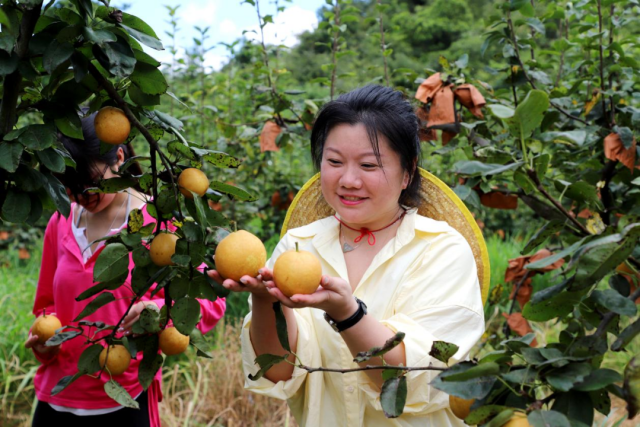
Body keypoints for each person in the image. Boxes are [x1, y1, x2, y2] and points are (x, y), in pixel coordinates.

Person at [207, 85, 485, 426]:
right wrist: (267, 301)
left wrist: (347, 314)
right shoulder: (299, 245)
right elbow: (279, 371)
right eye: (334, 161)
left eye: (368, 165)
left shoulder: (441, 250)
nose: (348, 180)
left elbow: (412, 382)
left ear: (408, 171)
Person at [25, 112, 226, 426]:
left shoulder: (158, 225)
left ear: (119, 156)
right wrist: (43, 344)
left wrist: (158, 309)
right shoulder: (62, 221)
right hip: (56, 401)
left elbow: (211, 297)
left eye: (91, 185)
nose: (80, 198)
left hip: (124, 402)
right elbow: (47, 306)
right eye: (70, 187)